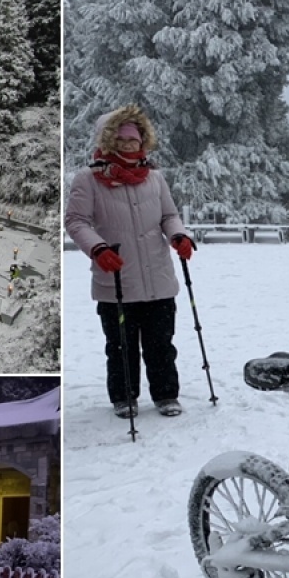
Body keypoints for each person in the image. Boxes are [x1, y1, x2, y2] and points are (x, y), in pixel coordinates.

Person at [65, 105, 194, 418]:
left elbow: (169, 215)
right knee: (121, 346)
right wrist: (97, 248)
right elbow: (76, 220)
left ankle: (166, 395)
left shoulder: (155, 178)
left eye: (133, 140)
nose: (127, 145)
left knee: (162, 343)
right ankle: (124, 397)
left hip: (158, 278)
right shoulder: (89, 179)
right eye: (120, 140)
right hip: (117, 280)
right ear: (108, 142)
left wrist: (178, 235)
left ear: (142, 142)